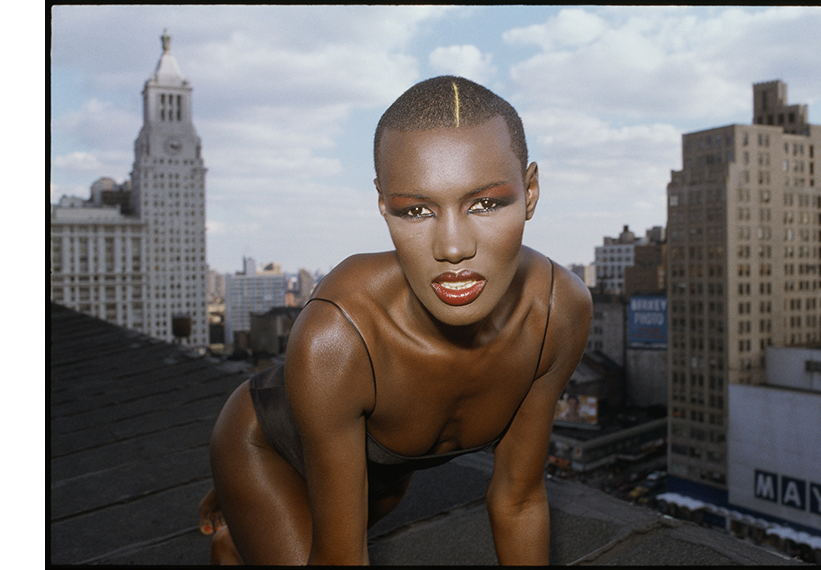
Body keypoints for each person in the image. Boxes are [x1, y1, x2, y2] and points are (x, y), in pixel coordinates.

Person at [198, 75, 591, 565]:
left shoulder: (559, 313)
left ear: (530, 192)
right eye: (417, 210)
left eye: (486, 203)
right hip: (264, 445)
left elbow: (520, 498)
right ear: (384, 204)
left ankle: (246, 531)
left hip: (383, 475)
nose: (453, 248)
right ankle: (239, 536)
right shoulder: (338, 334)